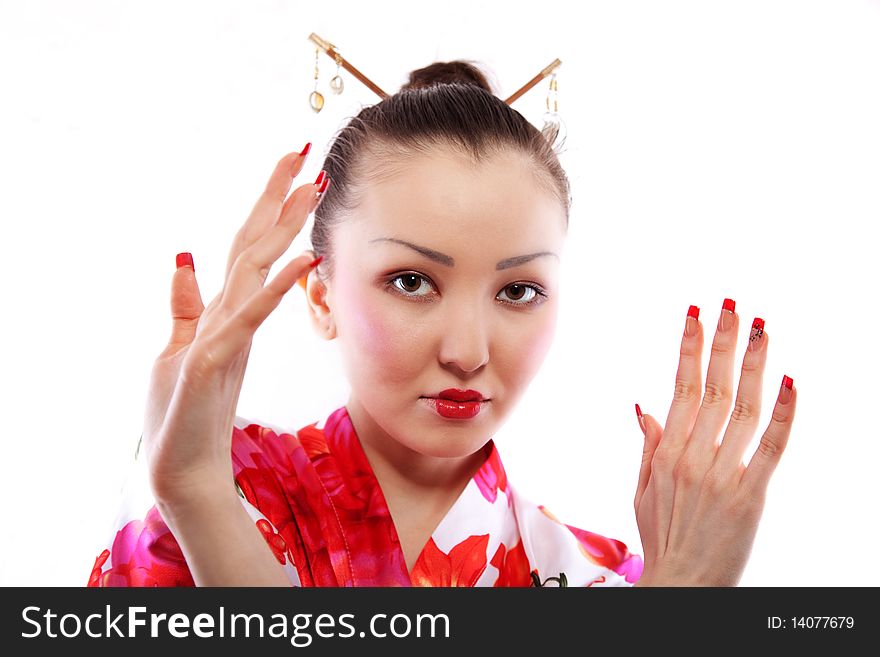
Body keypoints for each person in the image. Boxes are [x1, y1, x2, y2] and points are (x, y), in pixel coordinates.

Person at [87, 61, 797, 587]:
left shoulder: (597, 576)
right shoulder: (210, 472)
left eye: (518, 290)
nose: (467, 352)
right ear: (322, 294)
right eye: (412, 281)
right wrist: (199, 493)